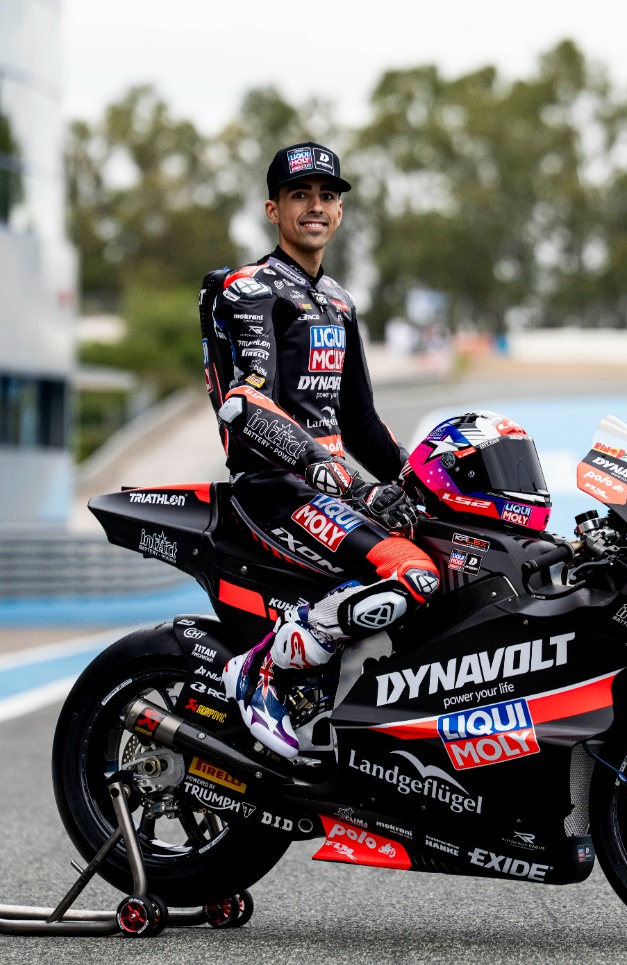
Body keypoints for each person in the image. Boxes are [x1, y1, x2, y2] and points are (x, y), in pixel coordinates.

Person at [197, 142, 437, 759]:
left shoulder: (340, 300)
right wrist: (332, 473)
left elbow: (361, 424)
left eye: (327, 196)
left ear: (340, 212)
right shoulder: (249, 288)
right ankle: (263, 671)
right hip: (275, 489)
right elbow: (245, 401)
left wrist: (425, 483)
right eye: (299, 195)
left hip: (329, 491)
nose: (315, 206)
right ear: (272, 210)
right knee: (411, 574)